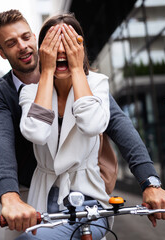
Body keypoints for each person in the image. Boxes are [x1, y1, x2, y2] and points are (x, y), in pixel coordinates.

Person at [0, 9, 165, 239]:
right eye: (11, 43)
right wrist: (9, 196)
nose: (23, 46)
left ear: (35, 39)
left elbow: (120, 126)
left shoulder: (92, 83)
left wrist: (150, 182)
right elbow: (0, 143)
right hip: (26, 189)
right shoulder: (10, 93)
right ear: (2, 53)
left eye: (26, 37)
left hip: (85, 190)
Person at [17, 14, 111, 239]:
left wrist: (78, 69)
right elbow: (36, 132)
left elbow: (92, 125)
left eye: (68, 44)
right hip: (45, 197)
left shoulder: (97, 84)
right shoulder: (31, 92)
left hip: (89, 200)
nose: (61, 51)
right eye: (53, 45)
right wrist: (47, 71)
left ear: (80, 49)